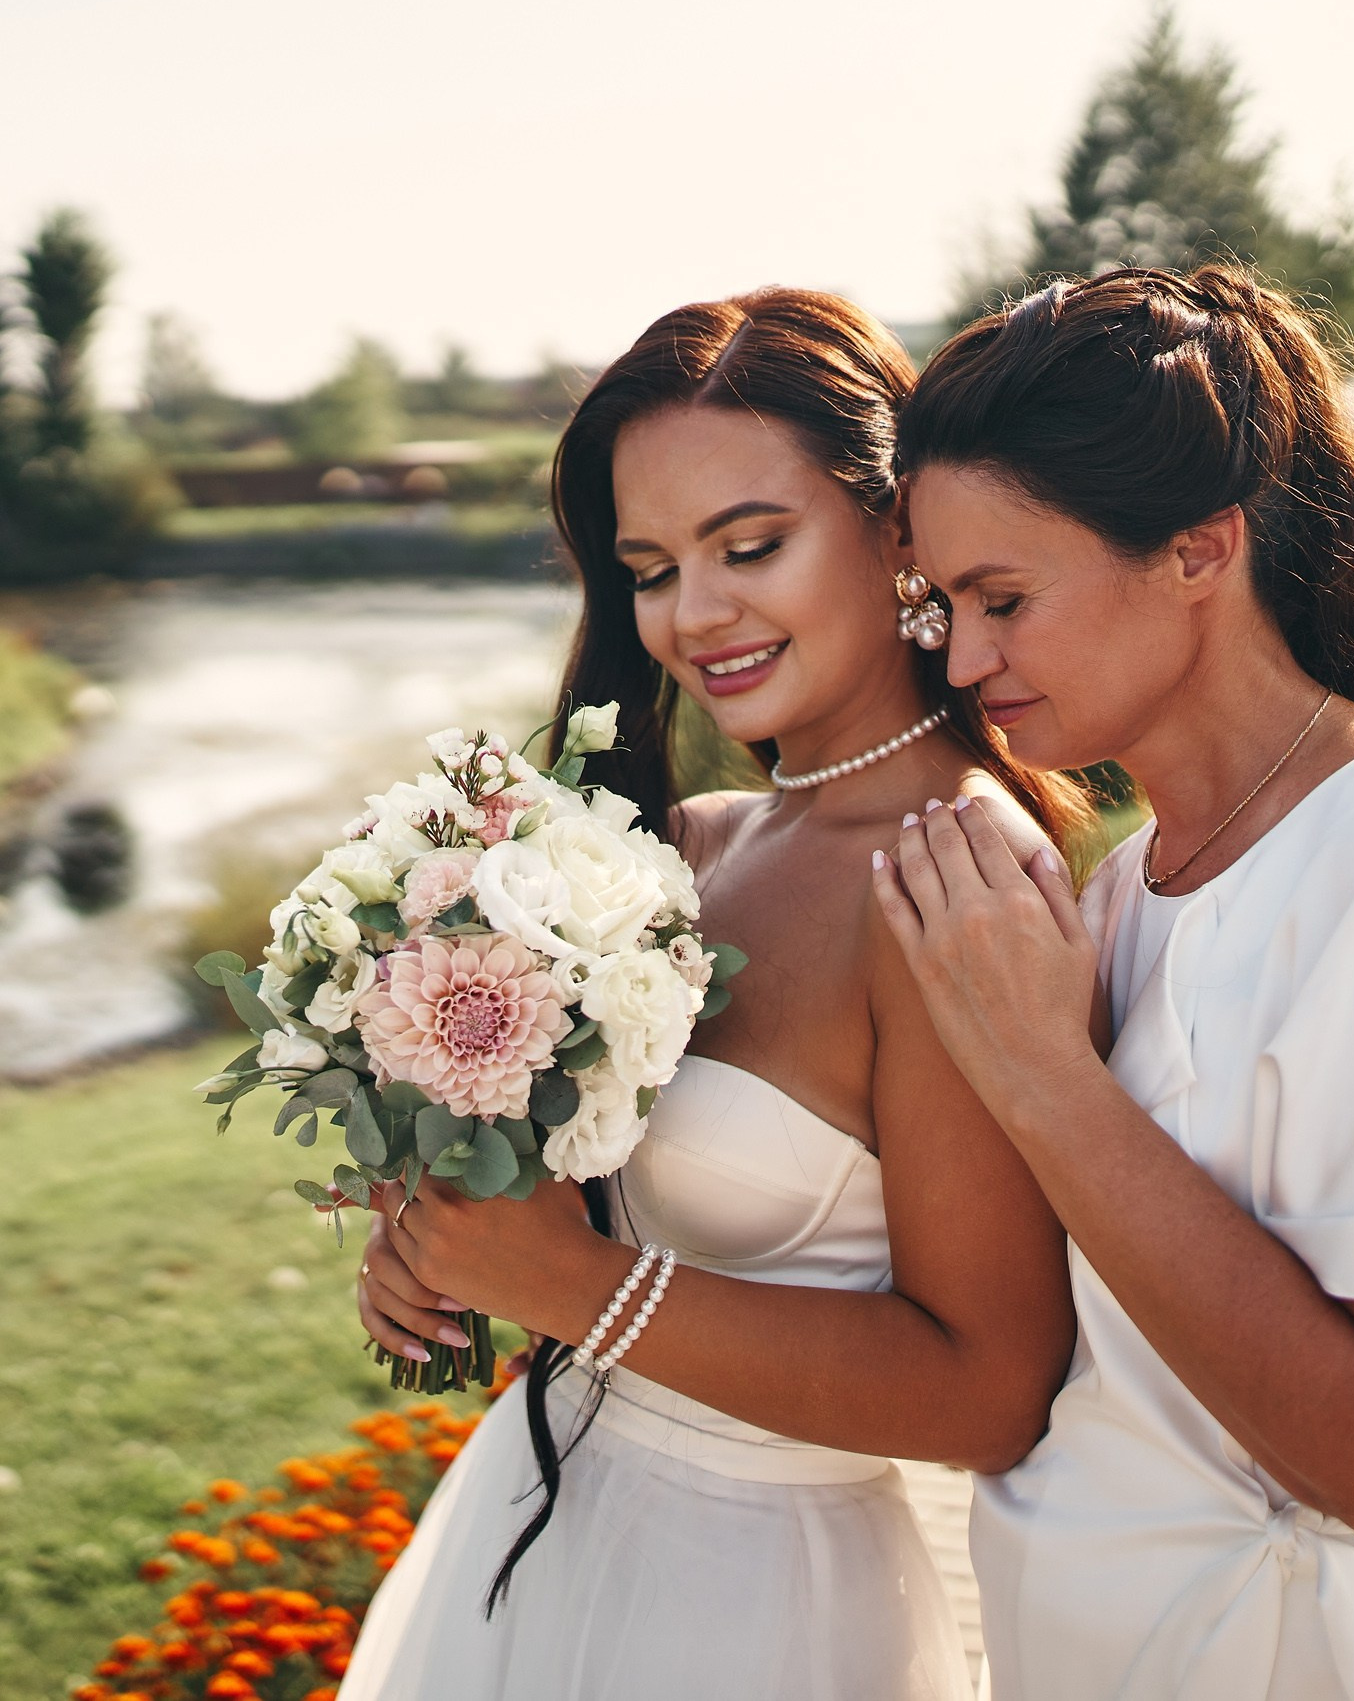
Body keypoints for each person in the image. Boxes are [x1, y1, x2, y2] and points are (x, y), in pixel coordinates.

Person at [870, 265, 1354, 1699]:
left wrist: (1044, 1077)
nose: (964, 655)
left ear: (1198, 549)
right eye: (943, 602)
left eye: (1003, 596)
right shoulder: (1122, 890)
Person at [339, 290, 1085, 1701]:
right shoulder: (677, 847)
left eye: (751, 546)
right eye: (652, 565)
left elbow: (992, 1386)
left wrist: (576, 1285)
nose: (696, 613)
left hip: (750, 1609)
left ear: (895, 527)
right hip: (542, 1531)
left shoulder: (960, 878)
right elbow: (567, 1212)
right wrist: (441, 1244)